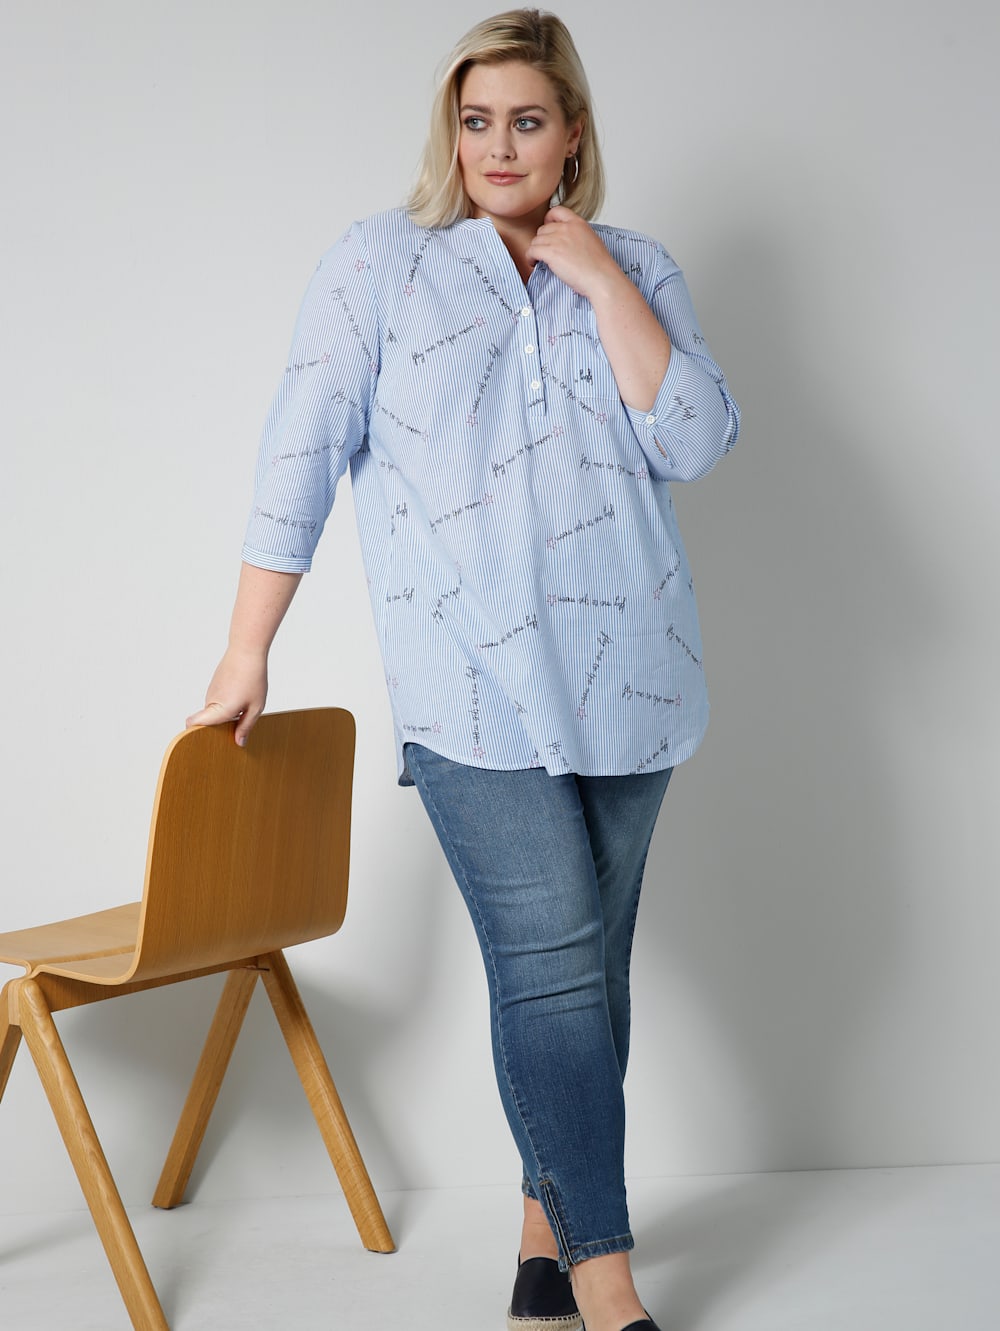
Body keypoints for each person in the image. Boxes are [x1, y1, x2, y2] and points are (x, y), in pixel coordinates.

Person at [188, 9, 739, 1330]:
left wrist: (599, 281)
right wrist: (248, 646)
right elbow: (300, 449)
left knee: (589, 980)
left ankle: (545, 1246)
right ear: (452, 129)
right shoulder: (380, 265)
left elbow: (698, 439)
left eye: (526, 121)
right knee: (549, 968)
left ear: (573, 134)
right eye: (476, 119)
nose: (498, 146)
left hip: (635, 682)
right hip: (472, 691)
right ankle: (608, 1286)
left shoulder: (638, 264)